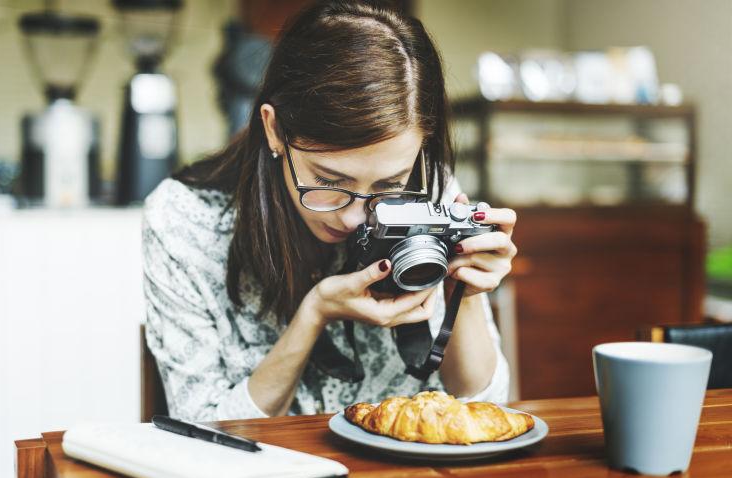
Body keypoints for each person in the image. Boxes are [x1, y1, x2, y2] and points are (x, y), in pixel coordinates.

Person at [142, 0, 517, 423]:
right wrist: (315, 312)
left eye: (388, 186)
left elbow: (484, 409)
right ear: (275, 129)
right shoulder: (185, 221)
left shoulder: (430, 191)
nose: (355, 217)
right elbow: (202, 429)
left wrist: (461, 290)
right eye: (331, 182)